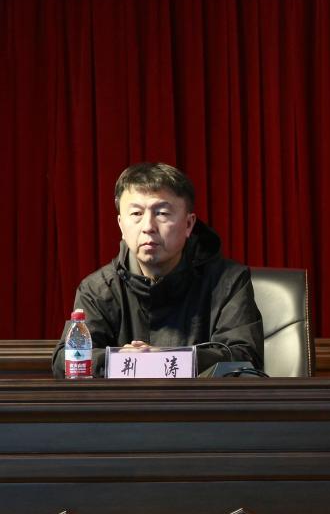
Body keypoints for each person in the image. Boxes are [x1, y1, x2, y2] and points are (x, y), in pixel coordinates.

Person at [52, 162, 263, 377]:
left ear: (189, 224)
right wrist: (123, 360)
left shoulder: (228, 281)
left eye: (162, 213)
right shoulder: (97, 289)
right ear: (121, 225)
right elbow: (66, 359)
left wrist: (163, 359)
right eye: (136, 213)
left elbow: (245, 356)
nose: (148, 227)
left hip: (200, 400)